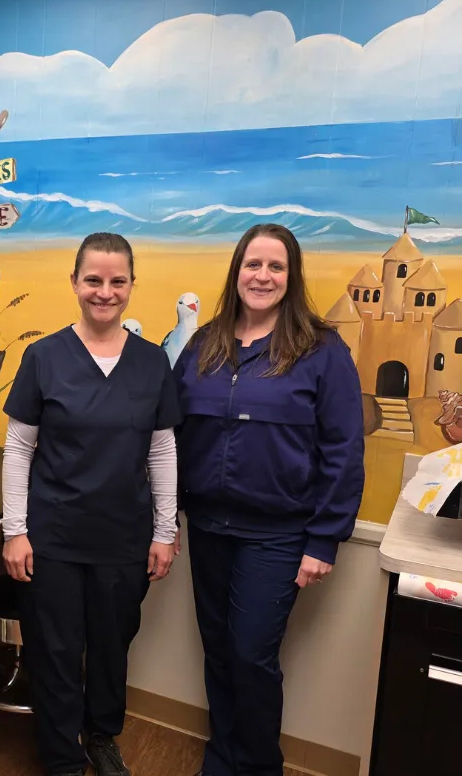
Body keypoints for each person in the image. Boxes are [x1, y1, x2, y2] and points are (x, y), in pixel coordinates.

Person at [171, 223, 365, 776]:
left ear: (291, 276)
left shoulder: (321, 350)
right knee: (217, 648)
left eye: (275, 267)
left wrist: (324, 538)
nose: (262, 275)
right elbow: (171, 432)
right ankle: (221, 756)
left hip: (280, 535)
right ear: (236, 271)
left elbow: (343, 451)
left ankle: (258, 766)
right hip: (208, 525)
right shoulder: (204, 344)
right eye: (253, 264)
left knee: (251, 655)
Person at [0, 232, 181, 776]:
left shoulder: (152, 364)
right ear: (75, 282)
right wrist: (15, 530)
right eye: (93, 280)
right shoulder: (44, 357)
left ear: (131, 286)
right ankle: (61, 757)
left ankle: (101, 735)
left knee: (111, 646)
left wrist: (166, 532)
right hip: (52, 536)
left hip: (124, 538)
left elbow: (163, 449)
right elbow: (18, 447)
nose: (105, 292)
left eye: (117, 281)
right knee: (54, 653)